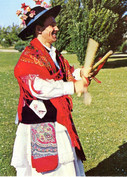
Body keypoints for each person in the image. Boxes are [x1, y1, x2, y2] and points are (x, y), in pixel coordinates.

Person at [12, 1, 91, 176]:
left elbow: (66, 73)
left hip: (58, 118)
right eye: (52, 25)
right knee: (46, 168)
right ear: (39, 30)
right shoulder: (28, 58)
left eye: (56, 24)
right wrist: (73, 86)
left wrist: (81, 73)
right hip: (39, 122)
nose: (57, 28)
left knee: (64, 167)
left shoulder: (53, 54)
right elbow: (39, 88)